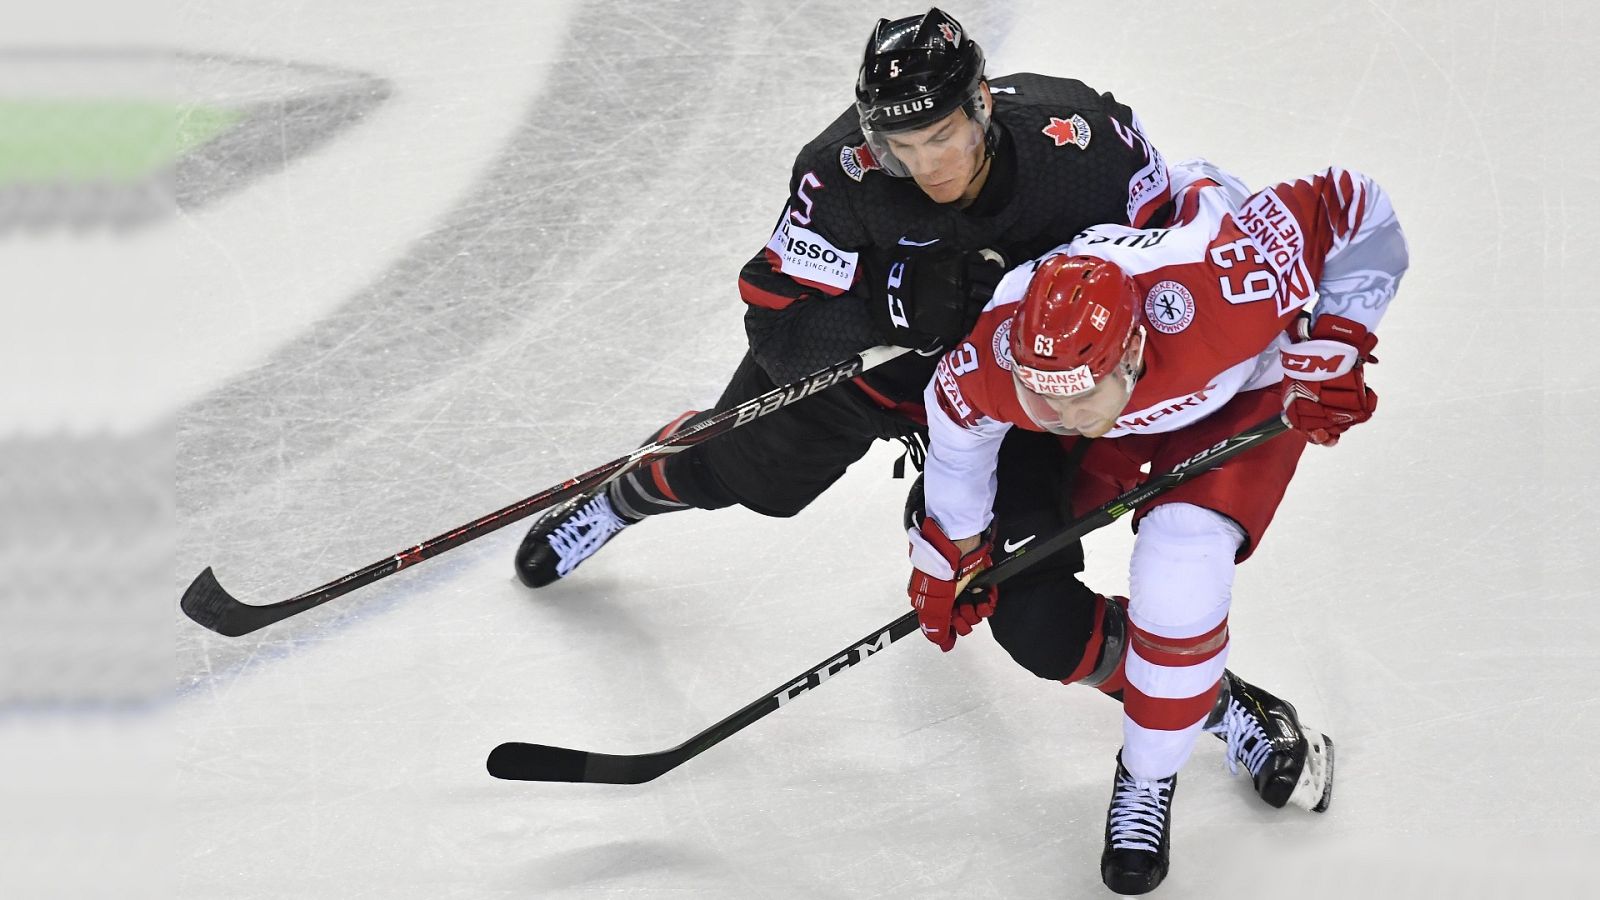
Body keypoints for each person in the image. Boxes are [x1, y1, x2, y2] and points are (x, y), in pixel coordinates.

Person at [514, 7, 1173, 585]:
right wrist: (885, 309)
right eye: (902, 149)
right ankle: (624, 496)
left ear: (983, 104)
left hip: (1019, 389)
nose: (926, 167)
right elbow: (776, 324)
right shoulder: (839, 174)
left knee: (1033, 564)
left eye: (942, 137)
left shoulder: (1086, 143)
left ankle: (1194, 695)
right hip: (870, 385)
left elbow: (1172, 252)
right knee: (738, 477)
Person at [907, 159, 1408, 893]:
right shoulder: (1001, 364)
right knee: (1028, 609)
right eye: (1038, 397)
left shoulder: (1224, 280)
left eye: (1076, 397)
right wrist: (952, 552)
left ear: (1134, 352)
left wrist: (1337, 339)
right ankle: (1209, 699)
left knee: (1179, 574)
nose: (1057, 413)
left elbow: (1355, 207)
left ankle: (1145, 778)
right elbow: (959, 439)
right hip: (1123, 422)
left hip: (1239, 389)